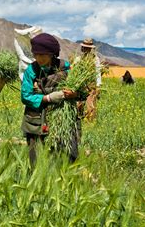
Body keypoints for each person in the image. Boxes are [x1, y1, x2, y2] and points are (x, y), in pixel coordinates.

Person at [21, 33, 79, 167]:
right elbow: (26, 96)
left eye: (42, 55)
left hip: (60, 121)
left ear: (52, 53)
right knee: (36, 162)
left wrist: (74, 94)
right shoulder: (31, 70)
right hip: (36, 122)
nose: (38, 58)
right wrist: (48, 98)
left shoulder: (65, 68)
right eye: (35, 55)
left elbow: (81, 90)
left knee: (63, 160)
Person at [76, 38, 102, 121]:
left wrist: (98, 85)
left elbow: (98, 72)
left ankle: (90, 121)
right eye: (84, 47)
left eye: (88, 48)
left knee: (90, 103)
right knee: (79, 103)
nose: (86, 49)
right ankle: (79, 118)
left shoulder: (95, 59)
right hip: (80, 83)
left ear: (91, 49)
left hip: (91, 84)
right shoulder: (79, 59)